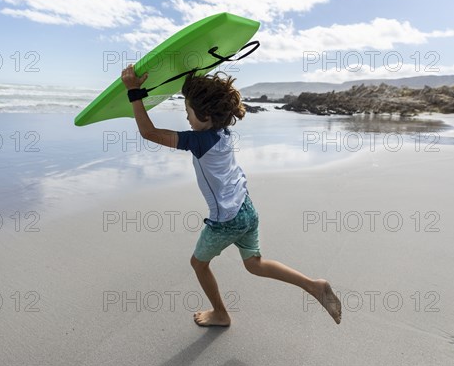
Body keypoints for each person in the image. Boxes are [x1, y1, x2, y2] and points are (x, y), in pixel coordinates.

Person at [121, 65, 342, 326]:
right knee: (255, 264)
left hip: (226, 220)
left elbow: (149, 133)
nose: (187, 119)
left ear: (205, 116)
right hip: (247, 210)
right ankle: (313, 285)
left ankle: (221, 314)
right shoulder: (224, 132)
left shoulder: (199, 140)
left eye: (188, 112)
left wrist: (134, 91)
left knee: (198, 264)